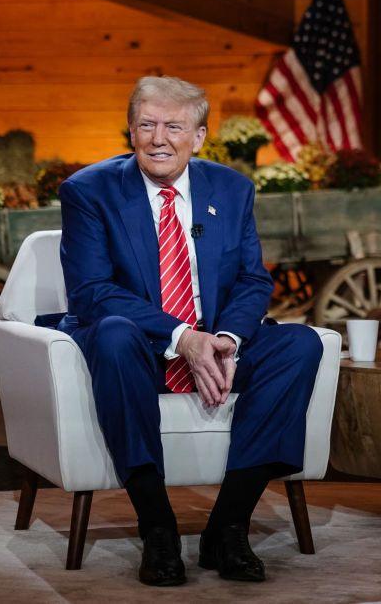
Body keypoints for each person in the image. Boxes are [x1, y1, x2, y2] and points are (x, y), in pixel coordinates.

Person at [55, 76, 323, 587]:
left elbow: (250, 279)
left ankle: (228, 526)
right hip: (138, 347)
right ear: (130, 132)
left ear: (199, 137)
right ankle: (157, 526)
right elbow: (91, 291)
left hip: (213, 340)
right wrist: (184, 337)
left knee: (299, 344)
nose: (160, 139)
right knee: (111, 333)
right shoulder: (89, 191)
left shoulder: (232, 188)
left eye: (174, 127)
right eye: (147, 125)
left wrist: (225, 340)